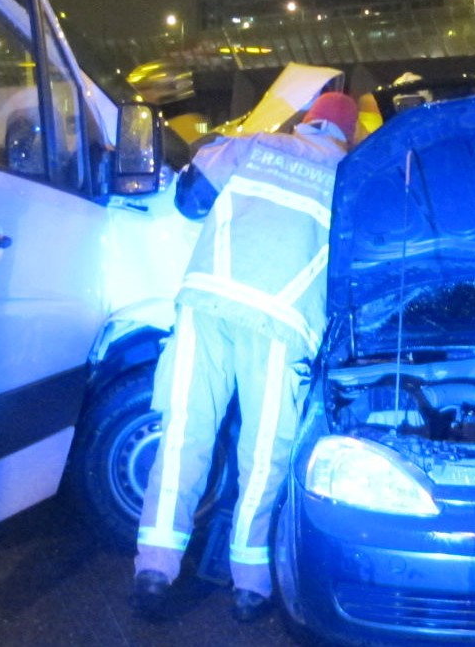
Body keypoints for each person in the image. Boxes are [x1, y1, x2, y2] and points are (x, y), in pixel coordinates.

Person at [132, 91, 358, 623]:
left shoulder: (251, 145)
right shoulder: (352, 180)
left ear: (308, 121)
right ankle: (250, 585)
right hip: (284, 324)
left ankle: (154, 570)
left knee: (185, 433)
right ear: (349, 135)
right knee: (264, 453)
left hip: (207, 302)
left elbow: (188, 200)